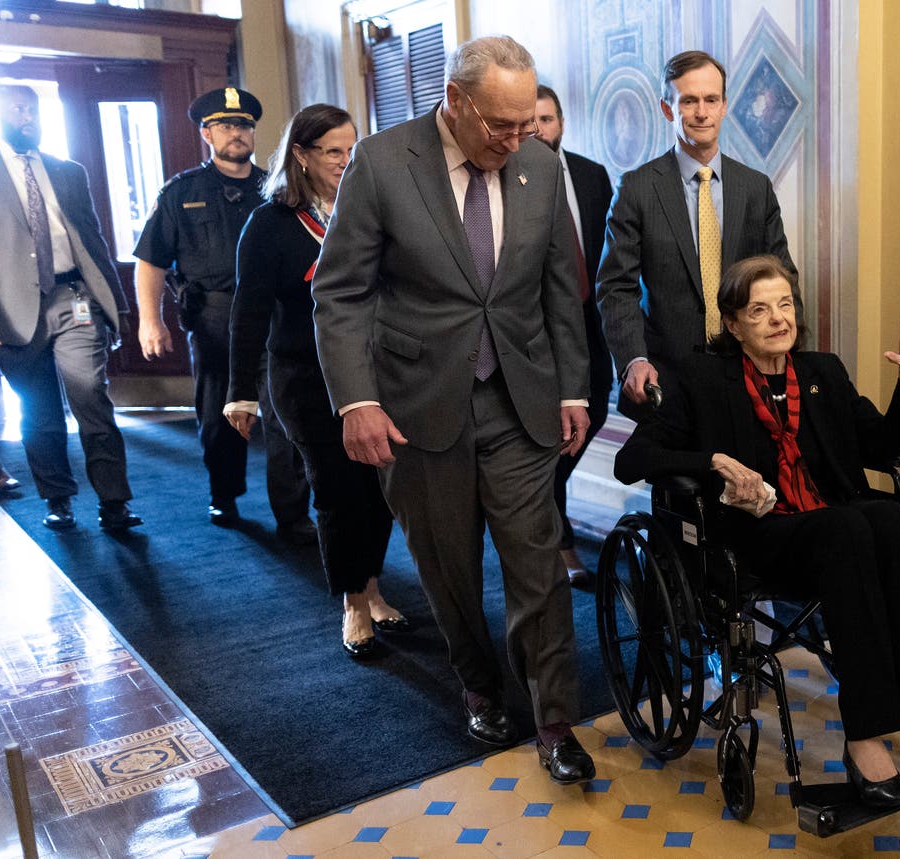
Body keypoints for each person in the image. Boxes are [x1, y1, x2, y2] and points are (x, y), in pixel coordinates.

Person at [312, 36, 596, 786]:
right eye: (501, 124)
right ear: (457, 101)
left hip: (518, 397)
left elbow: (557, 289)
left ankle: (555, 719)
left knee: (537, 564)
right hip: (415, 404)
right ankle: (478, 680)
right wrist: (358, 400)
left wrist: (573, 387)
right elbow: (340, 292)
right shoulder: (380, 161)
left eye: (528, 122)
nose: (516, 138)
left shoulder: (540, 161)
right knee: (448, 564)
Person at [614, 255, 900, 809]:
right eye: (759, 310)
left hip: (836, 533)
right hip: (758, 538)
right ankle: (864, 742)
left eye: (785, 305)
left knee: (885, 519)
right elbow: (633, 458)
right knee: (852, 527)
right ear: (734, 324)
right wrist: (712, 459)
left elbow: (882, 448)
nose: (777, 319)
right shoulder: (702, 380)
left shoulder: (822, 374)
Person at [224, 104, 409, 659]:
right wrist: (240, 389)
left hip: (373, 374)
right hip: (304, 380)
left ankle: (372, 587)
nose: (347, 161)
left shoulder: (366, 209)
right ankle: (352, 603)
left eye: (354, 148)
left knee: (378, 491)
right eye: (334, 151)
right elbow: (248, 311)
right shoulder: (269, 225)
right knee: (337, 491)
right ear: (300, 155)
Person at [133, 87, 312, 539]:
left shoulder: (279, 189)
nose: (238, 133)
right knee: (220, 414)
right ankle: (224, 495)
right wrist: (149, 320)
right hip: (214, 316)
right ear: (206, 133)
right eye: (227, 125)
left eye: (245, 125)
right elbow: (151, 260)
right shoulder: (181, 192)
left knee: (283, 413)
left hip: (273, 317)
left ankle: (292, 513)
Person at [597, 50, 798, 419]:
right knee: (676, 477)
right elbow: (615, 287)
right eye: (688, 101)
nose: (701, 112)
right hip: (667, 382)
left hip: (749, 376)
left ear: (724, 105)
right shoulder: (637, 190)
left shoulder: (755, 188)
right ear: (668, 109)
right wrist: (634, 360)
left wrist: (784, 359)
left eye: (711, 100)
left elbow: (782, 277)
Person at [0, 84, 140, 531]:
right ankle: (58, 499)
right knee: (39, 412)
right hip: (7, 311)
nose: (26, 115)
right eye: (15, 108)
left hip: (75, 299)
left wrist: (116, 307)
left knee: (90, 397)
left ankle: (114, 502)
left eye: (31, 108)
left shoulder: (68, 172)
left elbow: (94, 241)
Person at [533, 84, 614, 587]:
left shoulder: (590, 174)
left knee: (595, 411)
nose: (538, 128)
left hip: (590, 317)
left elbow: (608, 247)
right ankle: (558, 542)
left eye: (547, 118)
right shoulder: (509, 178)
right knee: (552, 430)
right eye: (531, 120)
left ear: (561, 122)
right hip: (537, 326)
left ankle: (542, 505)